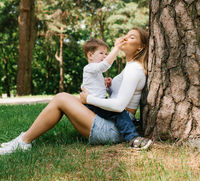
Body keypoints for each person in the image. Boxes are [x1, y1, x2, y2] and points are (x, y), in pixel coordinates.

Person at [0, 27, 152, 155]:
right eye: (125, 35)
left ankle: (24, 141)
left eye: (131, 37)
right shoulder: (130, 67)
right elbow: (120, 94)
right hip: (112, 119)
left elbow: (119, 106)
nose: (125, 38)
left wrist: (88, 99)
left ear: (140, 47)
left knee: (61, 98)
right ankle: (23, 139)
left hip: (117, 128)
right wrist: (109, 86)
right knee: (63, 98)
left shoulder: (134, 69)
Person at [81, 37, 142, 143]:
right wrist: (117, 48)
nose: (105, 56)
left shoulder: (96, 71)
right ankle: (132, 137)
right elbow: (105, 65)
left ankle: (129, 125)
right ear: (90, 55)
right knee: (118, 113)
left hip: (97, 102)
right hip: (93, 104)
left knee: (115, 114)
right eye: (101, 53)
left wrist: (107, 87)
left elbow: (97, 88)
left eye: (106, 53)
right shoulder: (89, 68)